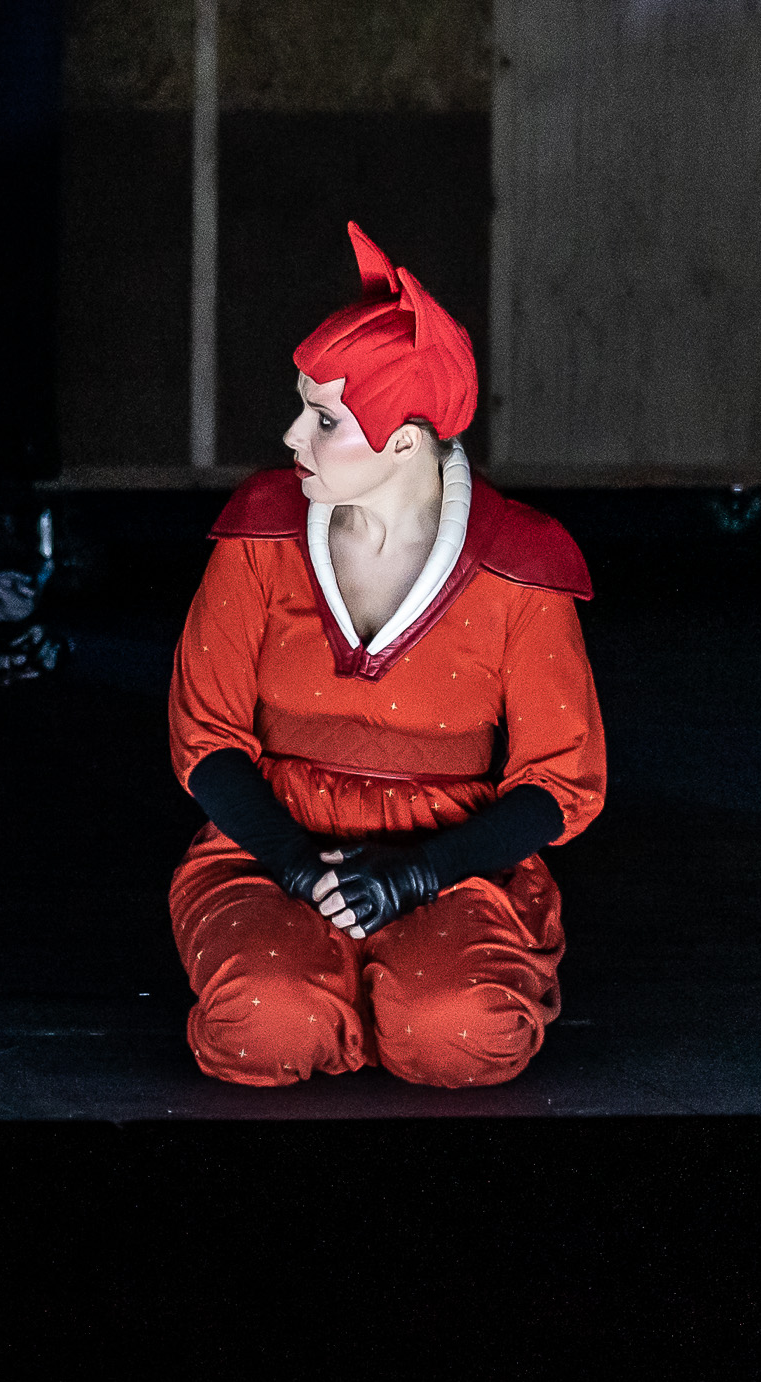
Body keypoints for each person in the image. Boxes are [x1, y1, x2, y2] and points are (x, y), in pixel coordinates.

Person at [166, 222, 605, 1087]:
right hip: (270, 850)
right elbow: (204, 739)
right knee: (265, 1024)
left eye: (323, 418)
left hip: (448, 862)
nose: (292, 435)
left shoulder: (520, 563)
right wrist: (297, 865)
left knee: (461, 1034)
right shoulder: (260, 532)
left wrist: (415, 877)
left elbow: (560, 784)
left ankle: (385, 999)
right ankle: (333, 998)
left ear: (403, 440)